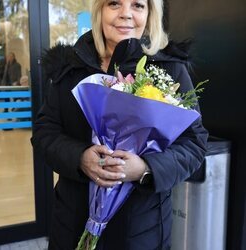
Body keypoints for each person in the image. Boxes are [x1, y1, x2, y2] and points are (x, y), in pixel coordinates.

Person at [31, 0, 208, 249]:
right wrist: (80, 158)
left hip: (141, 231)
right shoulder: (69, 67)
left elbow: (194, 144)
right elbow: (44, 133)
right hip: (73, 223)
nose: (126, 14)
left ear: (150, 14)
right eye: (114, 3)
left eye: (138, 5)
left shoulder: (171, 70)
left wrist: (146, 169)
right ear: (99, 11)